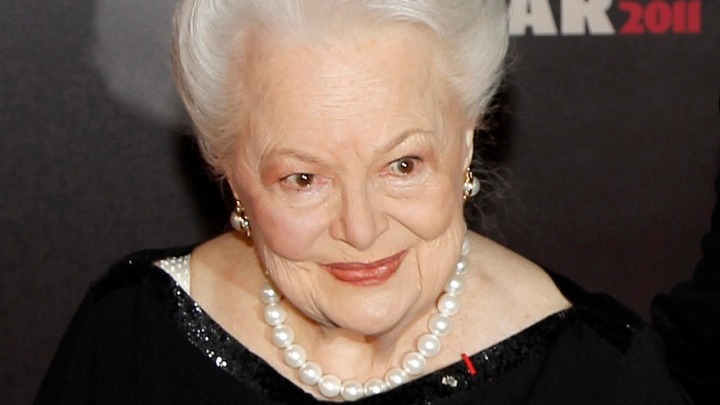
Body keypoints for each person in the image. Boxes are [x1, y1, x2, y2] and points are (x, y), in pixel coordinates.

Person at [35, 1, 691, 403]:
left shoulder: (597, 375)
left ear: (465, 141)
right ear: (230, 173)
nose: (361, 227)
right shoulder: (131, 338)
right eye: (303, 179)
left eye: (402, 165)